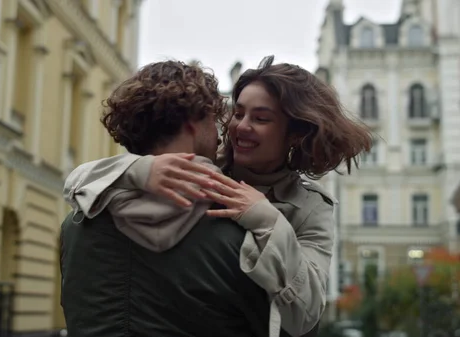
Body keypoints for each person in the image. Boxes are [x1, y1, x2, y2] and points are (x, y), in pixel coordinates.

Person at [63, 56, 373, 336]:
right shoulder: (200, 166)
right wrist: (140, 169)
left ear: (296, 133)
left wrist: (269, 221)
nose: (240, 127)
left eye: (261, 119)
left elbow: (305, 314)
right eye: (237, 113)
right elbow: (78, 184)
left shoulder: (310, 208)